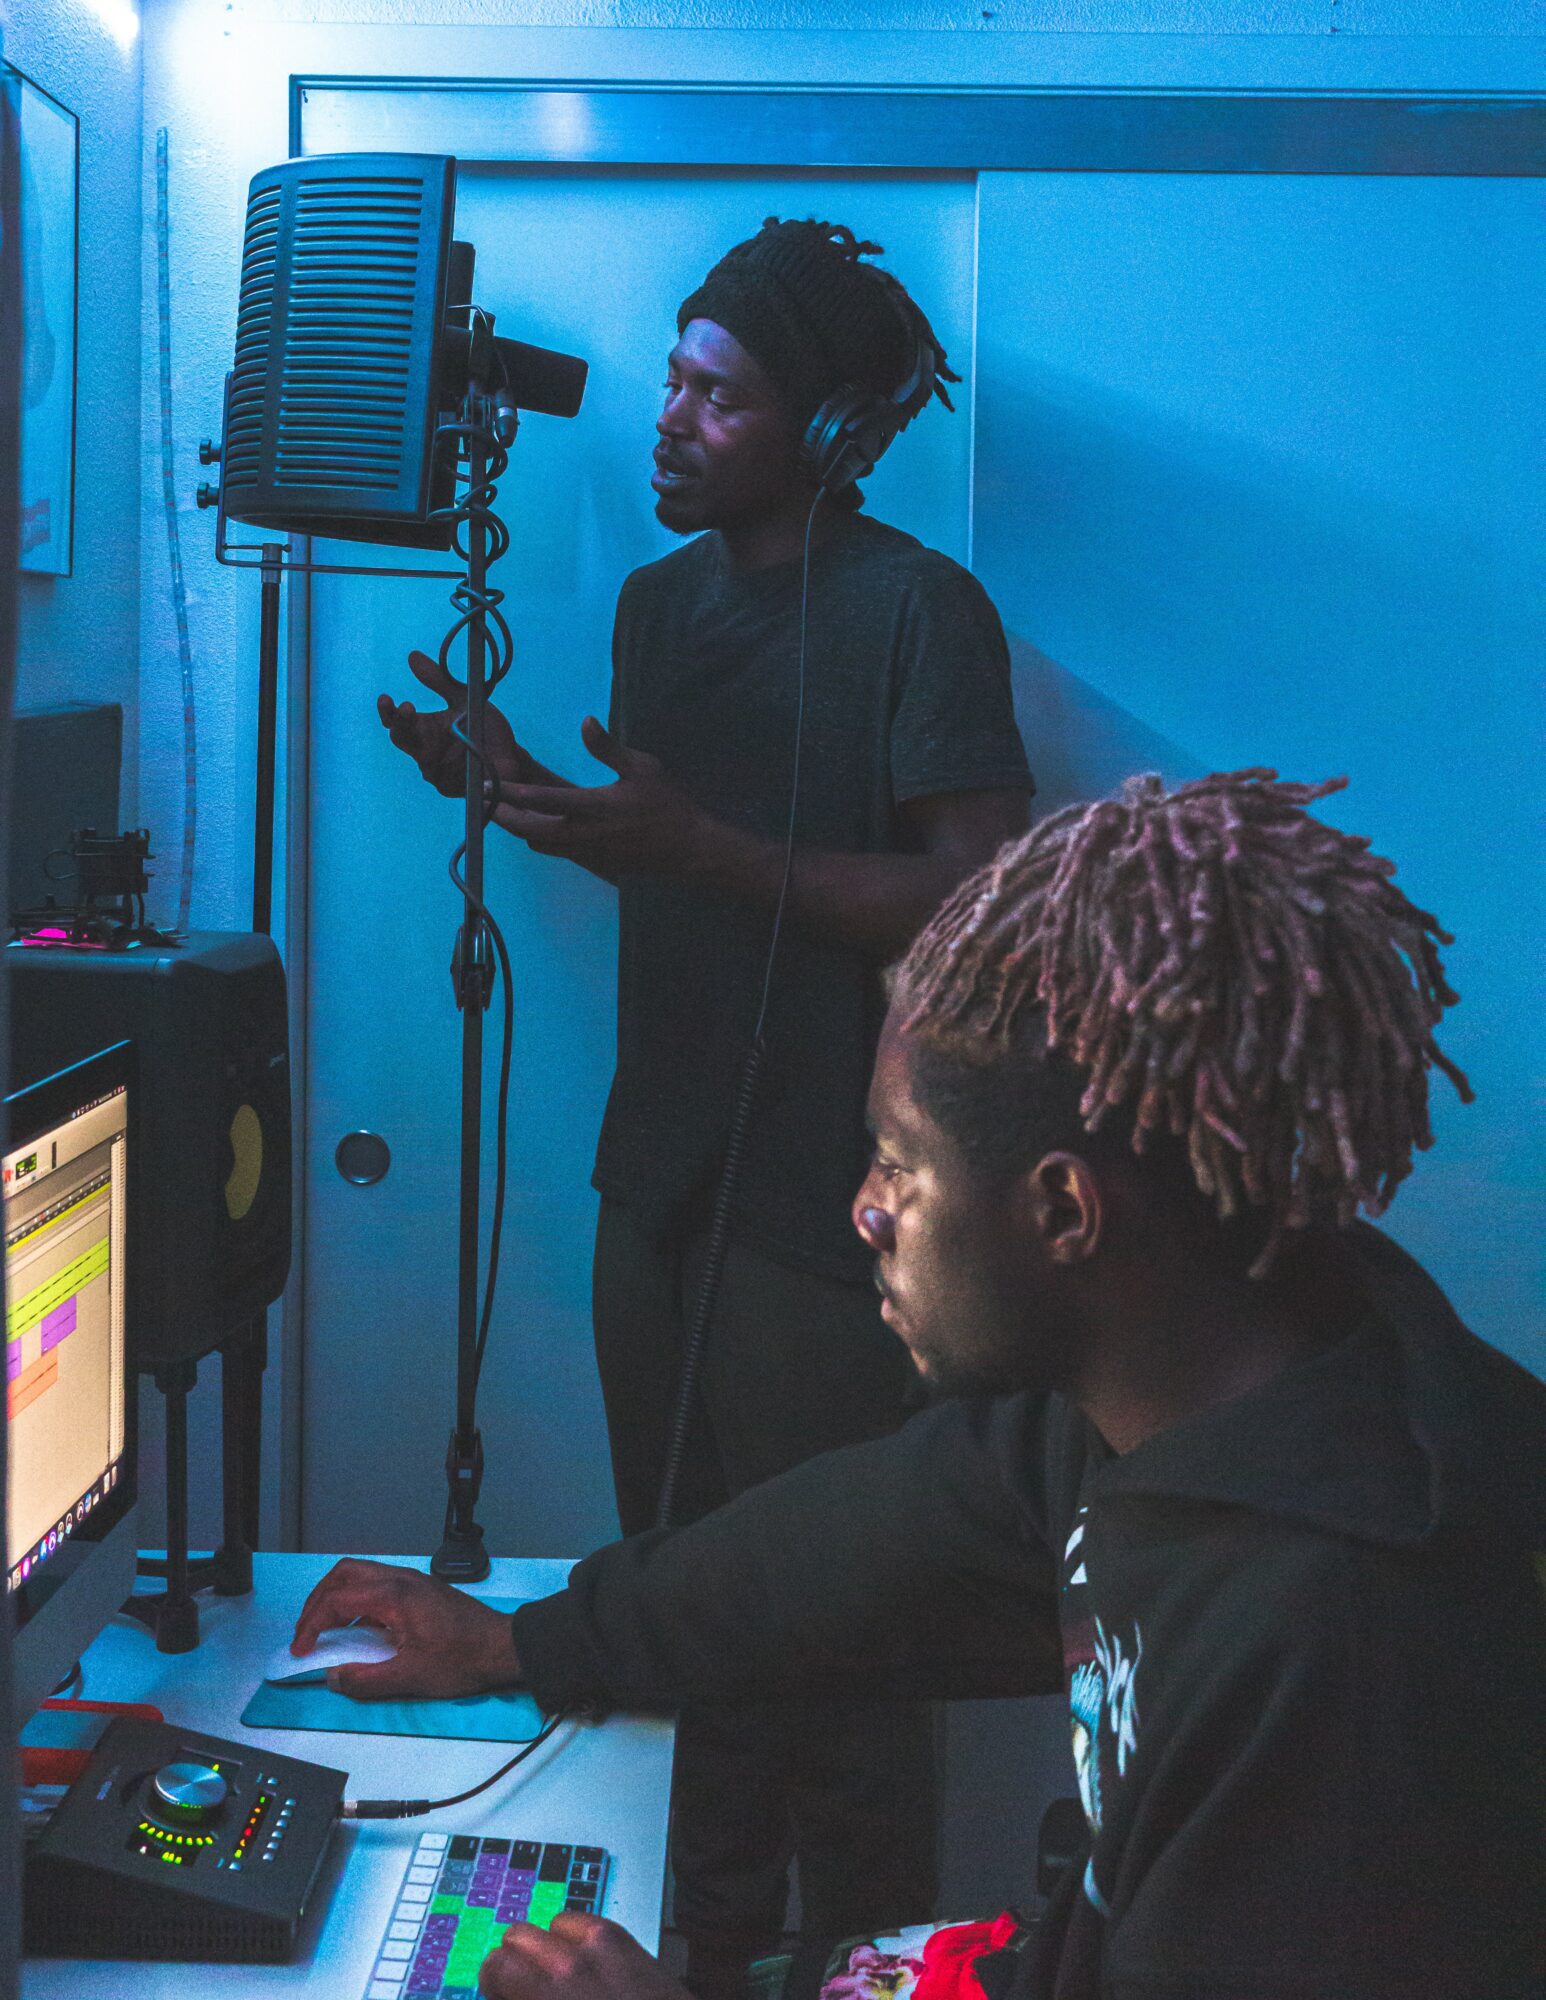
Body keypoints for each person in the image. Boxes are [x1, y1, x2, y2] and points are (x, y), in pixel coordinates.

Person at [300, 768, 1546, 2000]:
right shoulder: (1191, 1368)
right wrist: (523, 1639)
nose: (865, 1208)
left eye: (899, 1162)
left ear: (1064, 1210)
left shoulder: (1341, 1658)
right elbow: (851, 1547)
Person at [378, 216, 1035, 1993]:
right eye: (673, 379)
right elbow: (672, 855)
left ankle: (873, 1963)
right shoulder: (656, 608)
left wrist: (699, 847)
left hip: (835, 1221)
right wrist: (521, 792)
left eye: (715, 396)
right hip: (656, 1189)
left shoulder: (918, 613)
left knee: (842, 1647)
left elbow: (980, 898)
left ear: (824, 432)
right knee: (685, 1608)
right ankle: (698, 1959)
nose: (667, 420)